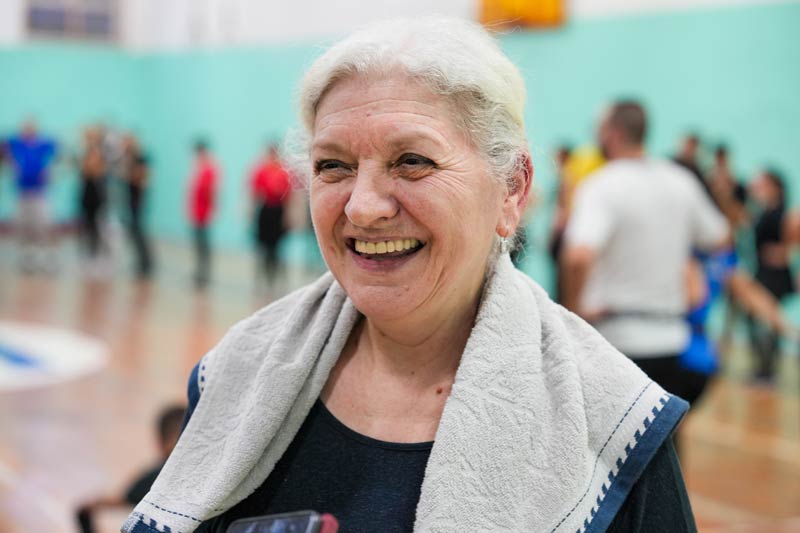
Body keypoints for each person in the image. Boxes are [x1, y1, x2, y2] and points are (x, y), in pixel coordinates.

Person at [124, 19, 696, 533]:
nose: (363, 207)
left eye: (413, 161)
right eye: (333, 166)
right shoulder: (234, 377)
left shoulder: (615, 429)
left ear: (512, 190)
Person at [561, 101, 729, 405]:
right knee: (664, 432)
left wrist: (574, 314)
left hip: (615, 341)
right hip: (671, 342)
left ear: (612, 133)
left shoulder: (602, 185)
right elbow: (720, 237)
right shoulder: (680, 181)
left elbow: (578, 257)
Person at [76, 405, 185, 533]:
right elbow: (91, 507)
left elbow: (88, 508)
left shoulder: (155, 477)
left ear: (160, 444)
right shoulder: (155, 477)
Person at [747, 168, 795, 382]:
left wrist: (784, 253)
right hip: (762, 272)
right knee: (756, 317)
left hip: (775, 275)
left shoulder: (784, 214)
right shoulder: (763, 210)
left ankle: (768, 370)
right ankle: (763, 367)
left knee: (770, 320)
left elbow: (790, 242)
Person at [5, 118, 58, 273]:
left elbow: (56, 150)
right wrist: (11, 162)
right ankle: (27, 257)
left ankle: (48, 257)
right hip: (22, 192)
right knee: (22, 225)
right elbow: (5, 146)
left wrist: (48, 169)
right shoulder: (17, 144)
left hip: (39, 193)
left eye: (31, 128)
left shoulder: (43, 145)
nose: (28, 130)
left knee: (43, 224)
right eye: (25, 128)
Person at [250, 143, 292, 283]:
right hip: (266, 210)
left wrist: (287, 216)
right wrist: (251, 213)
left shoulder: (283, 171)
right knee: (262, 247)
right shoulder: (262, 170)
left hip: (278, 211)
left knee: (276, 248)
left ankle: (274, 278)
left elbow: (288, 197)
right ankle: (262, 278)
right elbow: (255, 193)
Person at [121, 133, 154, 279]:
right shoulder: (129, 159)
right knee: (134, 232)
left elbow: (143, 178)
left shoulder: (141, 159)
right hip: (131, 200)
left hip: (138, 201)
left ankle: (146, 262)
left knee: (139, 232)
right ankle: (141, 261)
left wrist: (129, 174)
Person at [186, 140, 219, 288]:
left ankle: (204, 275)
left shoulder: (209, 169)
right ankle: (199, 274)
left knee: (203, 246)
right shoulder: (198, 168)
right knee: (198, 245)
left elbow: (211, 192)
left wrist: (212, 210)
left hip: (203, 213)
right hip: (197, 212)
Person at [78, 126, 109, 266]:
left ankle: (98, 253)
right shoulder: (85, 153)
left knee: (98, 225)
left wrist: (91, 167)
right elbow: (85, 171)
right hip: (86, 194)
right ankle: (90, 252)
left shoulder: (100, 152)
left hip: (97, 196)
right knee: (87, 224)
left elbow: (94, 171)